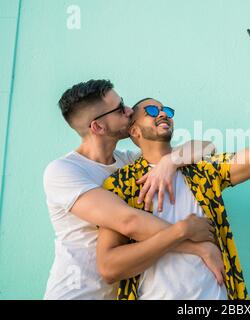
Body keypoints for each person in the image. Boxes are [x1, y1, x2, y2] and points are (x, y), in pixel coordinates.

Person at [97, 37, 250, 300]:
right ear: (133, 130)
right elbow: (109, 266)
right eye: (150, 110)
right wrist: (182, 232)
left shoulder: (203, 171)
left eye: (166, 109)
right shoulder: (121, 183)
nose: (163, 113)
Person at [44, 79, 223, 299]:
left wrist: (171, 162)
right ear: (97, 127)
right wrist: (197, 245)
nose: (129, 111)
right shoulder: (64, 171)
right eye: (119, 109)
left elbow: (205, 147)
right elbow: (128, 221)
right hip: (77, 293)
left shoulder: (127, 163)